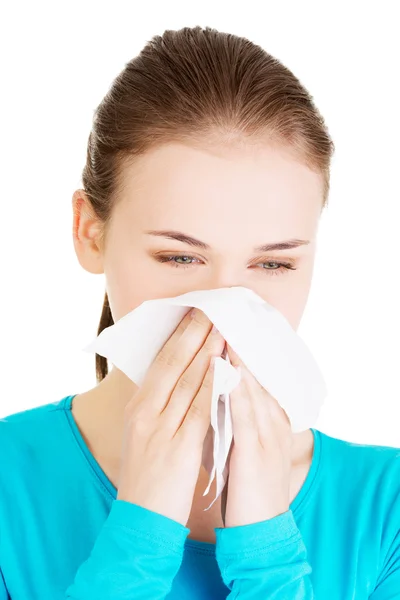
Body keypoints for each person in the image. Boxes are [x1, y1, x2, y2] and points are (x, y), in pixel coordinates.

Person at [0, 25, 398, 600]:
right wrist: (139, 535)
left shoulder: (387, 511)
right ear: (89, 232)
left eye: (273, 265)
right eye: (180, 257)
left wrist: (267, 546)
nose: (224, 310)